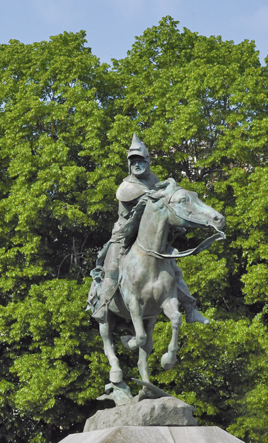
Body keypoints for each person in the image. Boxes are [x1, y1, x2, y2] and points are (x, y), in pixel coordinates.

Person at [89, 134, 209, 325]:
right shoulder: (127, 186)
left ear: (148, 161)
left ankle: (191, 308)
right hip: (124, 234)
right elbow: (150, 204)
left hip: (150, 235)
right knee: (111, 267)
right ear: (129, 165)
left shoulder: (153, 179)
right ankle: (103, 305)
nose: (137, 165)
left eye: (140, 161)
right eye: (133, 162)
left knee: (174, 269)